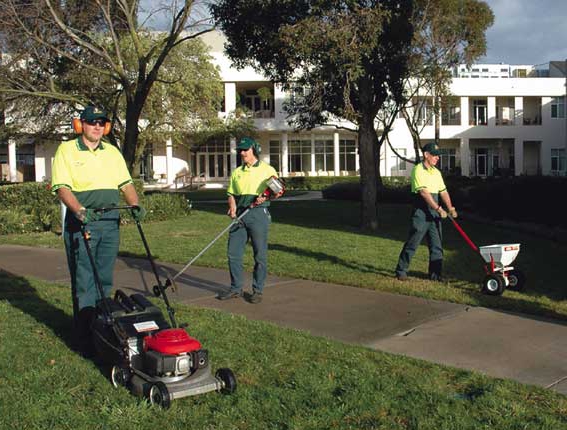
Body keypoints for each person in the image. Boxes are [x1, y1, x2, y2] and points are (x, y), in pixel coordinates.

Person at [51, 106, 145, 356]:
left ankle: (102, 329)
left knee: (104, 279)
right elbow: (61, 187)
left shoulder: (112, 152)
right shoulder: (67, 150)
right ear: (82, 125)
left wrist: (134, 203)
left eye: (101, 123)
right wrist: (80, 211)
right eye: (92, 122)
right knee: (84, 281)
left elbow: (125, 183)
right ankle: (83, 337)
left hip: (110, 221)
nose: (97, 127)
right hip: (83, 222)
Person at [217, 137, 283, 304]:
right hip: (239, 215)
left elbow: (278, 191)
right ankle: (236, 288)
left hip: (258, 214)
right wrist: (232, 207)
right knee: (233, 254)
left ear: (255, 150)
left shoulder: (267, 170)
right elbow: (231, 194)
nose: (242, 152)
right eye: (240, 150)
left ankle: (257, 290)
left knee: (259, 255)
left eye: (245, 149)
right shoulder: (237, 172)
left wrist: (266, 197)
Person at [395, 142, 458, 282]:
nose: (438, 158)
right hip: (421, 212)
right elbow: (424, 193)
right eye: (435, 155)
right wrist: (438, 208)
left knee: (437, 245)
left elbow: (443, 192)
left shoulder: (436, 172)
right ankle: (401, 270)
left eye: (438, 156)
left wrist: (451, 207)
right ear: (426, 155)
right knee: (413, 242)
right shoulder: (418, 170)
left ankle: (435, 275)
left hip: (435, 212)